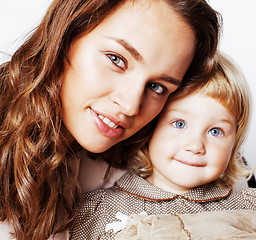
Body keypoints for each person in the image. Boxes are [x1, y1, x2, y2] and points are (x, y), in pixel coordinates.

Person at [0, 0, 221, 239]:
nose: (130, 106)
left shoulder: (151, 161)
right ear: (64, 36)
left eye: (157, 87)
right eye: (116, 59)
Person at [70, 53, 256, 239]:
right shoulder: (99, 210)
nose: (195, 145)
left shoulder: (248, 207)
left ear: (234, 143)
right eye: (179, 124)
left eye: (215, 131)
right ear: (151, 128)